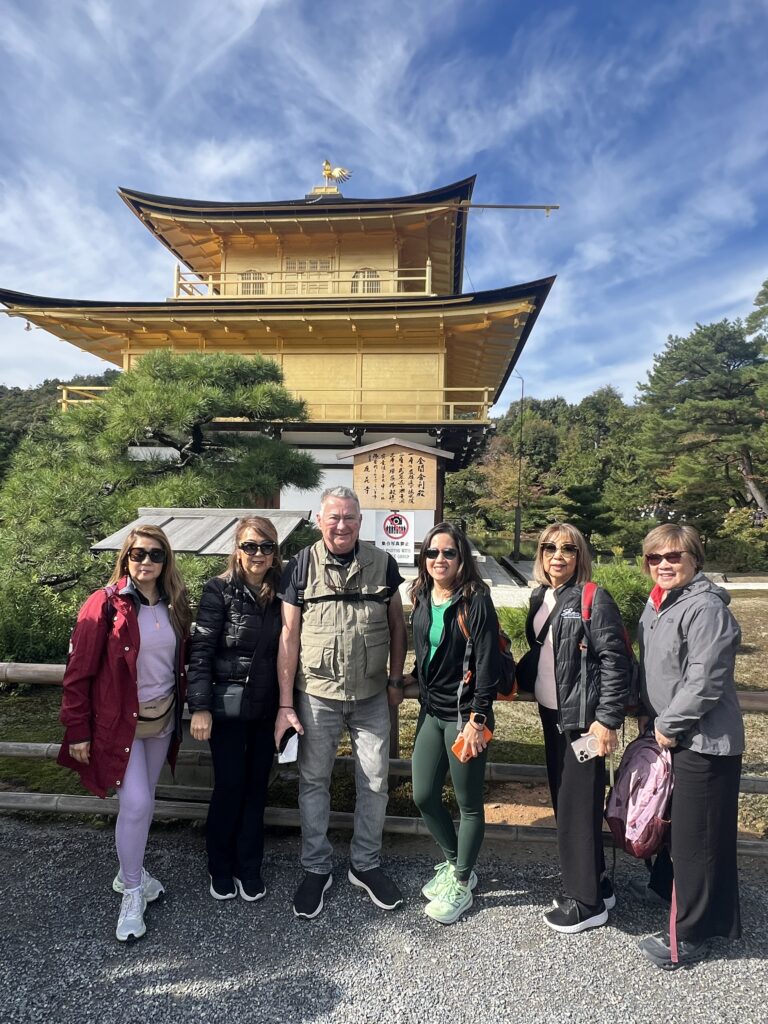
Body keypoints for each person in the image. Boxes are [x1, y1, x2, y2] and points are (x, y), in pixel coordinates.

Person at [275, 486, 408, 919]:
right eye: (333, 517)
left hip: (371, 694)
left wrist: (393, 680)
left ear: (360, 522)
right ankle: (316, 867)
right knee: (314, 781)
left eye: (350, 517)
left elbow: (398, 626)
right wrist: (284, 702)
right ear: (319, 520)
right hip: (316, 694)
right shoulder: (299, 566)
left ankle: (364, 863)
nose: (341, 525)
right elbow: (289, 637)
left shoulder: (383, 564)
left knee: (375, 780)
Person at [57, 526, 191, 942]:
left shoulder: (175, 605)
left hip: (162, 718)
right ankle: (131, 891)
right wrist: (77, 729)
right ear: (125, 558)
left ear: (166, 560)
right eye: (138, 554)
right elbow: (78, 671)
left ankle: (131, 871)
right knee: (133, 804)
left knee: (145, 802)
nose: (146, 562)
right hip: (120, 726)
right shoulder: (105, 604)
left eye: (155, 555)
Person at [636, 524, 744, 970]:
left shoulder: (705, 608)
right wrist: (649, 714)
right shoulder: (660, 603)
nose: (663, 565)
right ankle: (690, 905)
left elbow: (706, 679)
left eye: (674, 556)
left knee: (697, 840)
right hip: (673, 735)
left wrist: (668, 723)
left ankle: (691, 933)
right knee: (684, 831)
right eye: (654, 558)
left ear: (695, 558)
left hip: (705, 742)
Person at [525, 522, 629, 934]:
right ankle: (597, 884)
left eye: (568, 549)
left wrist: (607, 721)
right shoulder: (541, 596)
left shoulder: (592, 596)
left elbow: (615, 661)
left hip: (584, 723)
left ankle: (585, 904)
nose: (558, 555)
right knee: (570, 804)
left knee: (576, 810)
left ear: (579, 555)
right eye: (549, 548)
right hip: (553, 717)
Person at [407, 522, 501, 925]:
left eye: (448, 553)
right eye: (432, 553)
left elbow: (486, 663)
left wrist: (478, 719)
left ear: (462, 558)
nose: (439, 560)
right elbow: (426, 649)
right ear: (423, 558)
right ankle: (454, 862)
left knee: (468, 804)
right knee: (423, 794)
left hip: (466, 717)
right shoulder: (422, 596)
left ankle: (462, 881)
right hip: (432, 710)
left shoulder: (476, 600)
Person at [187, 516, 282, 903]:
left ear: (276, 552)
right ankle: (220, 865)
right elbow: (201, 651)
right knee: (228, 785)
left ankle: (250, 866)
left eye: (265, 547)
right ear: (237, 549)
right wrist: (200, 707)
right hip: (226, 707)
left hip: (268, 704)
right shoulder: (219, 590)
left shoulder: (285, 591)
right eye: (249, 546)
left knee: (258, 787)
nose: (257, 554)